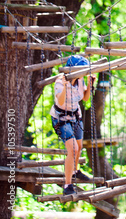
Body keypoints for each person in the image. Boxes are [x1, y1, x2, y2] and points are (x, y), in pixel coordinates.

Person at [50, 55, 95, 195]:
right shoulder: (60, 81)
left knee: (79, 146)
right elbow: (61, 101)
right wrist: (64, 85)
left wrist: (90, 84)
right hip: (60, 118)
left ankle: (75, 171)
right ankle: (67, 185)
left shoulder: (80, 81)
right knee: (73, 149)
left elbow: (86, 98)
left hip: (75, 116)